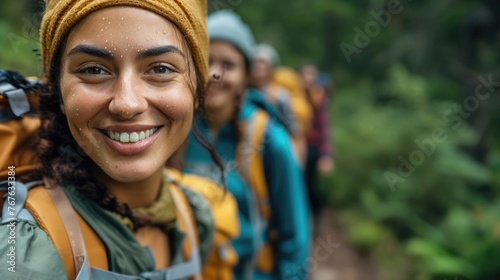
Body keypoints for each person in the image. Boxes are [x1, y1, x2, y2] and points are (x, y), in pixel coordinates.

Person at [0, 0, 220, 279]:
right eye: (94, 70)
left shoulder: (194, 216)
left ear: (197, 88)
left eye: (161, 69)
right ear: (59, 93)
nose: (127, 103)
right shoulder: (28, 255)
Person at [183, 10, 311, 280]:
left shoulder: (268, 139)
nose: (215, 74)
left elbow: (295, 234)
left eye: (228, 65)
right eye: (207, 62)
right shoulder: (179, 129)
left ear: (246, 75)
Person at [250, 43, 311, 166]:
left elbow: (294, 129)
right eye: (257, 63)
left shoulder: (280, 96)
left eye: (263, 63)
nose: (259, 67)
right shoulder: (243, 92)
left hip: (274, 149)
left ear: (271, 68)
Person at [300, 64, 335, 228]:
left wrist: (326, 155)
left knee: (310, 185)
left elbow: (323, 127)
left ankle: (316, 215)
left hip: (312, 149)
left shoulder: (318, 97)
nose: (307, 77)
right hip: (296, 146)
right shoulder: (294, 95)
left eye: (311, 74)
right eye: (305, 74)